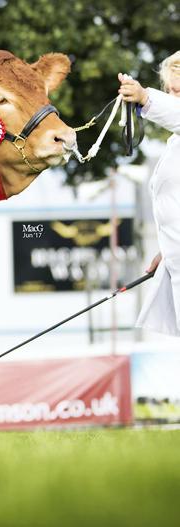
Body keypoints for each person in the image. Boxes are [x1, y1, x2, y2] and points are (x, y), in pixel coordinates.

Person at [123, 51, 180, 335]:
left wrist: (146, 98)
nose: (172, 96)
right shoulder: (174, 144)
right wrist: (168, 250)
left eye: (178, 91)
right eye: (169, 90)